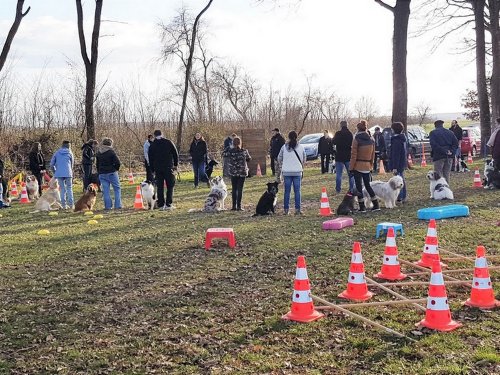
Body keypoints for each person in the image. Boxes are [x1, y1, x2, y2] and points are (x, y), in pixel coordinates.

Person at [349, 120, 379, 212]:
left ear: (358, 129)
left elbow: (353, 155)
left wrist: (351, 167)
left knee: (359, 187)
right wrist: (371, 164)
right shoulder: (371, 139)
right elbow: (373, 154)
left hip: (358, 165)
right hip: (367, 165)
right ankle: (376, 204)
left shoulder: (356, 139)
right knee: (368, 185)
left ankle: (362, 207)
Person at [148, 129, 179, 210]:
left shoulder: (152, 145)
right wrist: (176, 164)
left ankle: (161, 204)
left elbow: (150, 159)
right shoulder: (168, 142)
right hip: (168, 167)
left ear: (154, 135)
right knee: (170, 186)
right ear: (162, 134)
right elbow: (175, 154)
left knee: (160, 187)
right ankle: (168, 204)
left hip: (158, 168)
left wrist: (152, 169)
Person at [278, 130, 306, 215]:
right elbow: (304, 159)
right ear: (296, 137)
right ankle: (298, 210)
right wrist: (301, 166)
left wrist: (282, 166)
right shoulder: (301, 147)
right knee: (297, 191)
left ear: (288, 137)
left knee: (287, 191)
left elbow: (279, 158)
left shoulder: (284, 147)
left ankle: (286, 210)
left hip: (286, 172)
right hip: (297, 172)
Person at [224, 136, 251, 211]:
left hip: (233, 172)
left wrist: (228, 148)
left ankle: (233, 206)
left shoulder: (230, 151)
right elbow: (249, 159)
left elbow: (224, 154)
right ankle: (239, 206)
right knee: (240, 189)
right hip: (242, 172)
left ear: (233, 143)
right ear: (240, 143)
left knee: (234, 188)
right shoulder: (244, 151)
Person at [96, 138, 122, 211]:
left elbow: (97, 164)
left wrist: (99, 172)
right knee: (117, 189)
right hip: (112, 173)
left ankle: (108, 206)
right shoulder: (111, 152)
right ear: (110, 144)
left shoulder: (98, 153)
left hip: (102, 173)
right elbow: (118, 163)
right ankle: (117, 205)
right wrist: (115, 169)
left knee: (105, 191)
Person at [429, 119, 458, 183]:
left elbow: (434, 145)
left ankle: (439, 189)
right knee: (446, 174)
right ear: (442, 125)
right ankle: (446, 189)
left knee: (438, 174)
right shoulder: (450, 132)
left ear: (435, 126)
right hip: (449, 156)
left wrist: (444, 151)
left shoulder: (433, 133)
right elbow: (456, 144)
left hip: (438, 156)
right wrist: (451, 151)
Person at [50, 141, 75, 210]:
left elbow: (51, 164)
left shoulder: (57, 153)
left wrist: (55, 171)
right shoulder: (70, 153)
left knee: (62, 189)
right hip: (68, 173)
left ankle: (64, 205)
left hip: (59, 173)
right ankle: (71, 205)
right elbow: (72, 164)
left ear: (62, 145)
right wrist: (70, 171)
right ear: (69, 146)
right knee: (69, 188)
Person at [332, 120, 355, 193]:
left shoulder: (338, 133)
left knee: (339, 174)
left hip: (339, 156)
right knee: (351, 174)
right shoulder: (350, 134)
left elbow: (333, 142)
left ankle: (338, 189)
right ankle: (351, 189)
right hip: (348, 156)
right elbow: (353, 144)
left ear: (341, 126)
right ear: (347, 125)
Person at [388, 122, 407, 203]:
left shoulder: (396, 140)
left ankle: (400, 197)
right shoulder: (403, 139)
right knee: (401, 179)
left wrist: (395, 166)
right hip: (402, 162)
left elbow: (396, 154)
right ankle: (403, 196)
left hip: (398, 164)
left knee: (398, 181)